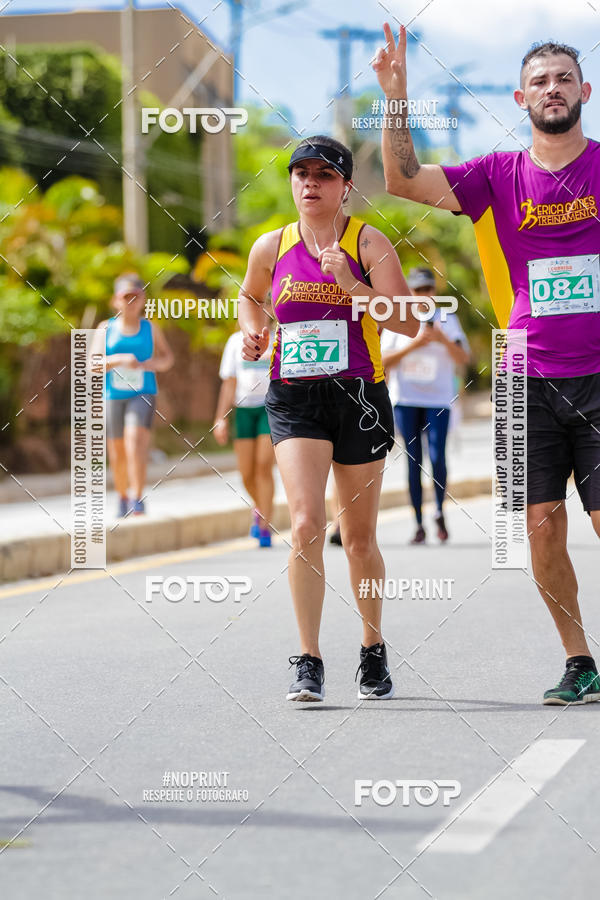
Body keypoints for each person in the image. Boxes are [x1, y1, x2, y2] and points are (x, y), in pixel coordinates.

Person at [374, 26, 600, 704]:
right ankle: (579, 661)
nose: (553, 88)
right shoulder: (496, 175)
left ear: (585, 92)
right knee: (540, 524)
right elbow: (402, 179)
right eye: (540, 80)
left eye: (564, 78)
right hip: (525, 378)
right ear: (520, 98)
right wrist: (396, 98)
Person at [237, 135, 419, 702]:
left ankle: (372, 647)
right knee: (305, 524)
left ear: (345, 187)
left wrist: (353, 286)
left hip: (359, 398)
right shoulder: (271, 245)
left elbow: (408, 321)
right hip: (295, 398)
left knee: (358, 538)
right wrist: (253, 331)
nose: (311, 183)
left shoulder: (368, 241)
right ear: (293, 182)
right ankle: (308, 659)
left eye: (325, 175)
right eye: (302, 174)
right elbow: (250, 297)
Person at [381, 267, 470, 544]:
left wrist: (442, 339)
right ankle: (418, 523)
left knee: (438, 456)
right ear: (409, 292)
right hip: (406, 400)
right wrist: (414, 345)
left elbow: (463, 357)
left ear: (434, 290)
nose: (423, 295)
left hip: (438, 400)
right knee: (413, 460)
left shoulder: (447, 319)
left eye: (427, 289)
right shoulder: (399, 319)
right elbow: (382, 361)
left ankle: (440, 511)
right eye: (418, 290)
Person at [92, 274, 174, 517]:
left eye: (135, 296)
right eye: (125, 297)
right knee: (117, 451)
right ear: (116, 300)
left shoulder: (150, 328)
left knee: (135, 441)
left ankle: (137, 497)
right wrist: (119, 359)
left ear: (142, 299)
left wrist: (150, 364)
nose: (130, 302)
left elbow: (167, 358)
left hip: (143, 392)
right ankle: (122, 496)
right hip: (113, 395)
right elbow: (92, 364)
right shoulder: (105, 328)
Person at [213, 327, 275, 547]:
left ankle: (265, 525)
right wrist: (220, 417)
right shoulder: (234, 341)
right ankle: (260, 507)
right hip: (244, 410)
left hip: (270, 408)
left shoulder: (278, 338)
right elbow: (229, 382)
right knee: (247, 473)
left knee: (263, 466)